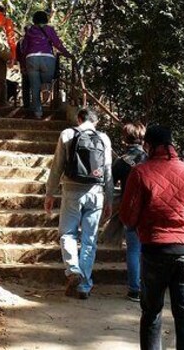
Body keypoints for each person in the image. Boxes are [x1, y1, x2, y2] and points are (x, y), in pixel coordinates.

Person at [120, 125, 184, 350]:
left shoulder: (140, 172)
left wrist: (145, 222)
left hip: (155, 251)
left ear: (148, 146)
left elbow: (128, 217)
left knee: (152, 313)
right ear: (172, 145)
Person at [44, 108, 113, 299]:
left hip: (72, 192)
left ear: (78, 119)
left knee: (67, 233)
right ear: (95, 122)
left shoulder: (67, 134)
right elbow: (107, 171)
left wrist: (50, 194)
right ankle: (84, 286)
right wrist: (109, 199)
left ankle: (73, 270)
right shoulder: (104, 139)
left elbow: (57, 166)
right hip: (96, 194)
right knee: (89, 239)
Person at [111, 122, 148, 302]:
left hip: (131, 209)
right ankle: (149, 287)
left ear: (125, 138)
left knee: (133, 249)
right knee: (148, 250)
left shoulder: (122, 160)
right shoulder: (151, 159)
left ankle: (134, 289)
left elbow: (110, 182)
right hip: (150, 210)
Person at [18, 11, 72, 119]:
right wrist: (67, 54)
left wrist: (23, 64)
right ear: (46, 19)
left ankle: (38, 112)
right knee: (47, 79)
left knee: (34, 85)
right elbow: (57, 44)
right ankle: (46, 88)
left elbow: (23, 48)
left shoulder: (29, 31)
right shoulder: (49, 29)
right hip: (47, 58)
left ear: (34, 20)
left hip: (31, 58)